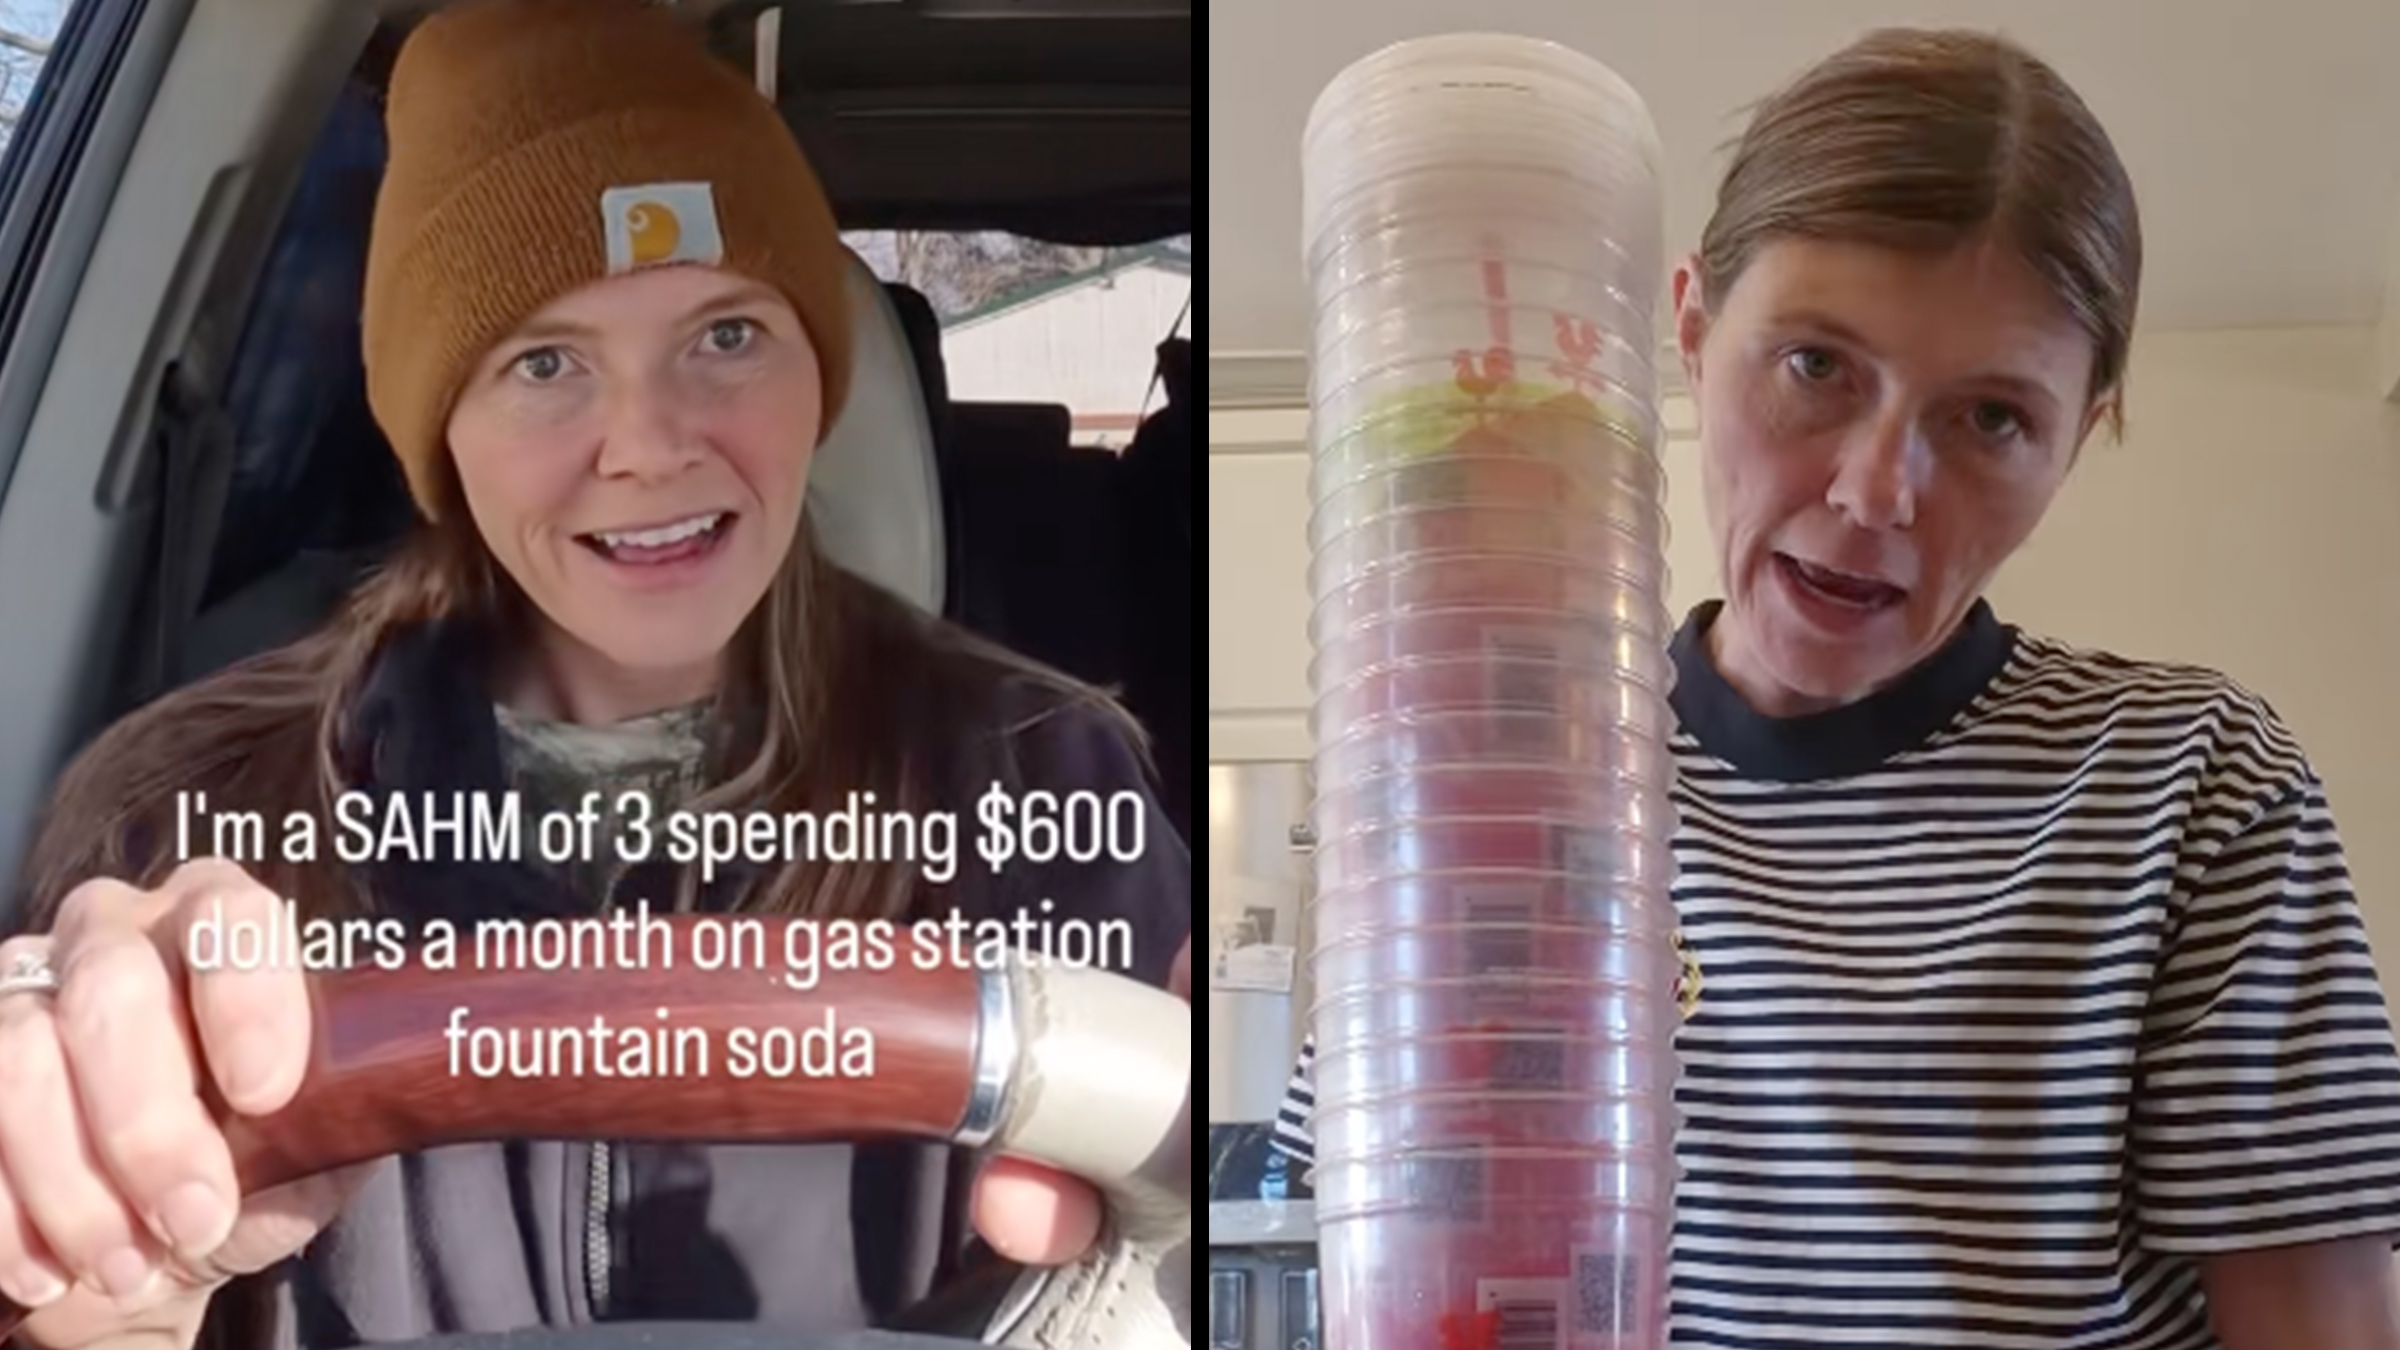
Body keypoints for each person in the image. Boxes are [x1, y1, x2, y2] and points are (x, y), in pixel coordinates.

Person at [0, 0, 1190, 1346]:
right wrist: (95, 1309)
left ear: (820, 376)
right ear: (440, 438)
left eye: (727, 335)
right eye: (544, 360)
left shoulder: (1048, 776)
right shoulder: (182, 812)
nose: (649, 441)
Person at [1275, 27, 2400, 1349]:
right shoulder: (1493, 784)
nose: (1875, 493)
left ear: (2079, 431)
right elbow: (1370, 1249)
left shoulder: (2189, 784)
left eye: (1990, 418)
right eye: (1815, 366)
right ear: (1690, 325)